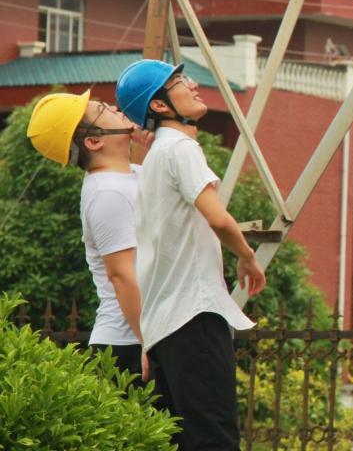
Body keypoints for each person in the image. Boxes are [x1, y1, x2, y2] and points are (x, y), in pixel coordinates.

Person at [117, 59, 266, 450]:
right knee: (214, 439)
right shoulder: (181, 148)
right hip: (194, 318)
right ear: (160, 106)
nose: (193, 86)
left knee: (180, 441)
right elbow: (218, 219)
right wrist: (247, 256)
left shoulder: (154, 159)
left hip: (166, 326)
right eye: (180, 81)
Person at [26, 90, 151, 382]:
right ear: (94, 141)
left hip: (141, 337)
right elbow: (122, 275)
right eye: (104, 109)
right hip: (129, 343)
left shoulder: (132, 175)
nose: (117, 108)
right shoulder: (108, 191)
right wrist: (151, 341)